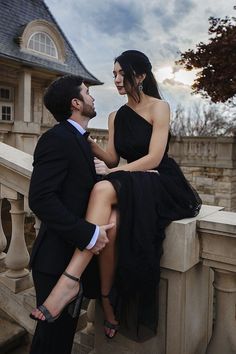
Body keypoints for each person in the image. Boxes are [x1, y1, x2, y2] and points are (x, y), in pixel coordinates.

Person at [30, 50, 202, 342]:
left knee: (101, 188)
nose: (117, 80)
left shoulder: (160, 107)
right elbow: (112, 159)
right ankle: (108, 302)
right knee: (110, 221)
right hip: (132, 180)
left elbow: (154, 158)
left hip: (159, 179)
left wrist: (114, 175)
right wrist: (89, 145)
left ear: (141, 76)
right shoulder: (114, 116)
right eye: (114, 75)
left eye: (122, 74)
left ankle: (69, 281)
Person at [28, 75, 114, 354]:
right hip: (54, 261)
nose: (92, 97)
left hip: (71, 260)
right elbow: (40, 199)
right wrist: (88, 234)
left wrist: (105, 173)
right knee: (50, 344)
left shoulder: (78, 141)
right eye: (87, 93)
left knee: (60, 343)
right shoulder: (56, 138)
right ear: (76, 103)